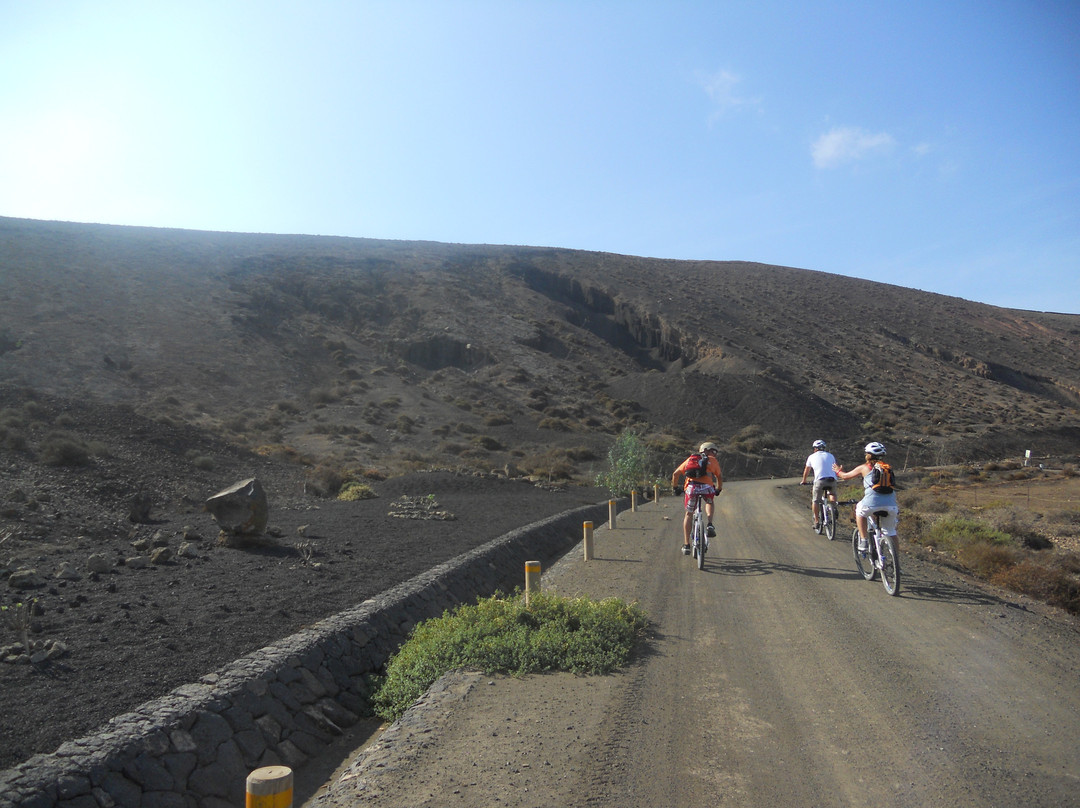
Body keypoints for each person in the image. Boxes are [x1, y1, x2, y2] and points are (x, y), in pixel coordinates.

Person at [833, 441, 899, 552]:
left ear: (868, 455)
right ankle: (896, 562)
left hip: (871, 504)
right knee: (891, 532)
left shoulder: (864, 468)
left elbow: (845, 476)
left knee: (860, 511)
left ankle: (864, 540)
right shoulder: (887, 468)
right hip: (891, 505)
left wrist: (838, 470)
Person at [672, 442, 723, 555]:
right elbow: (718, 476)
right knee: (710, 502)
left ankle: (686, 545)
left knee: (689, 514)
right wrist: (719, 489)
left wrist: (675, 488)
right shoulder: (712, 460)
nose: (714, 454)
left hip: (692, 488)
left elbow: (676, 474)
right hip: (707, 488)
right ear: (707, 450)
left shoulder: (691, 459)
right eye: (713, 451)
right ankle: (709, 524)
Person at [800, 439, 838, 530]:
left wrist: (804, 480)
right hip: (832, 479)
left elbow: (807, 470)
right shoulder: (831, 455)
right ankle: (834, 508)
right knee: (832, 494)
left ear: (815, 449)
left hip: (820, 481)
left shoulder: (811, 457)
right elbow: (835, 467)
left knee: (816, 500)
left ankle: (816, 521)